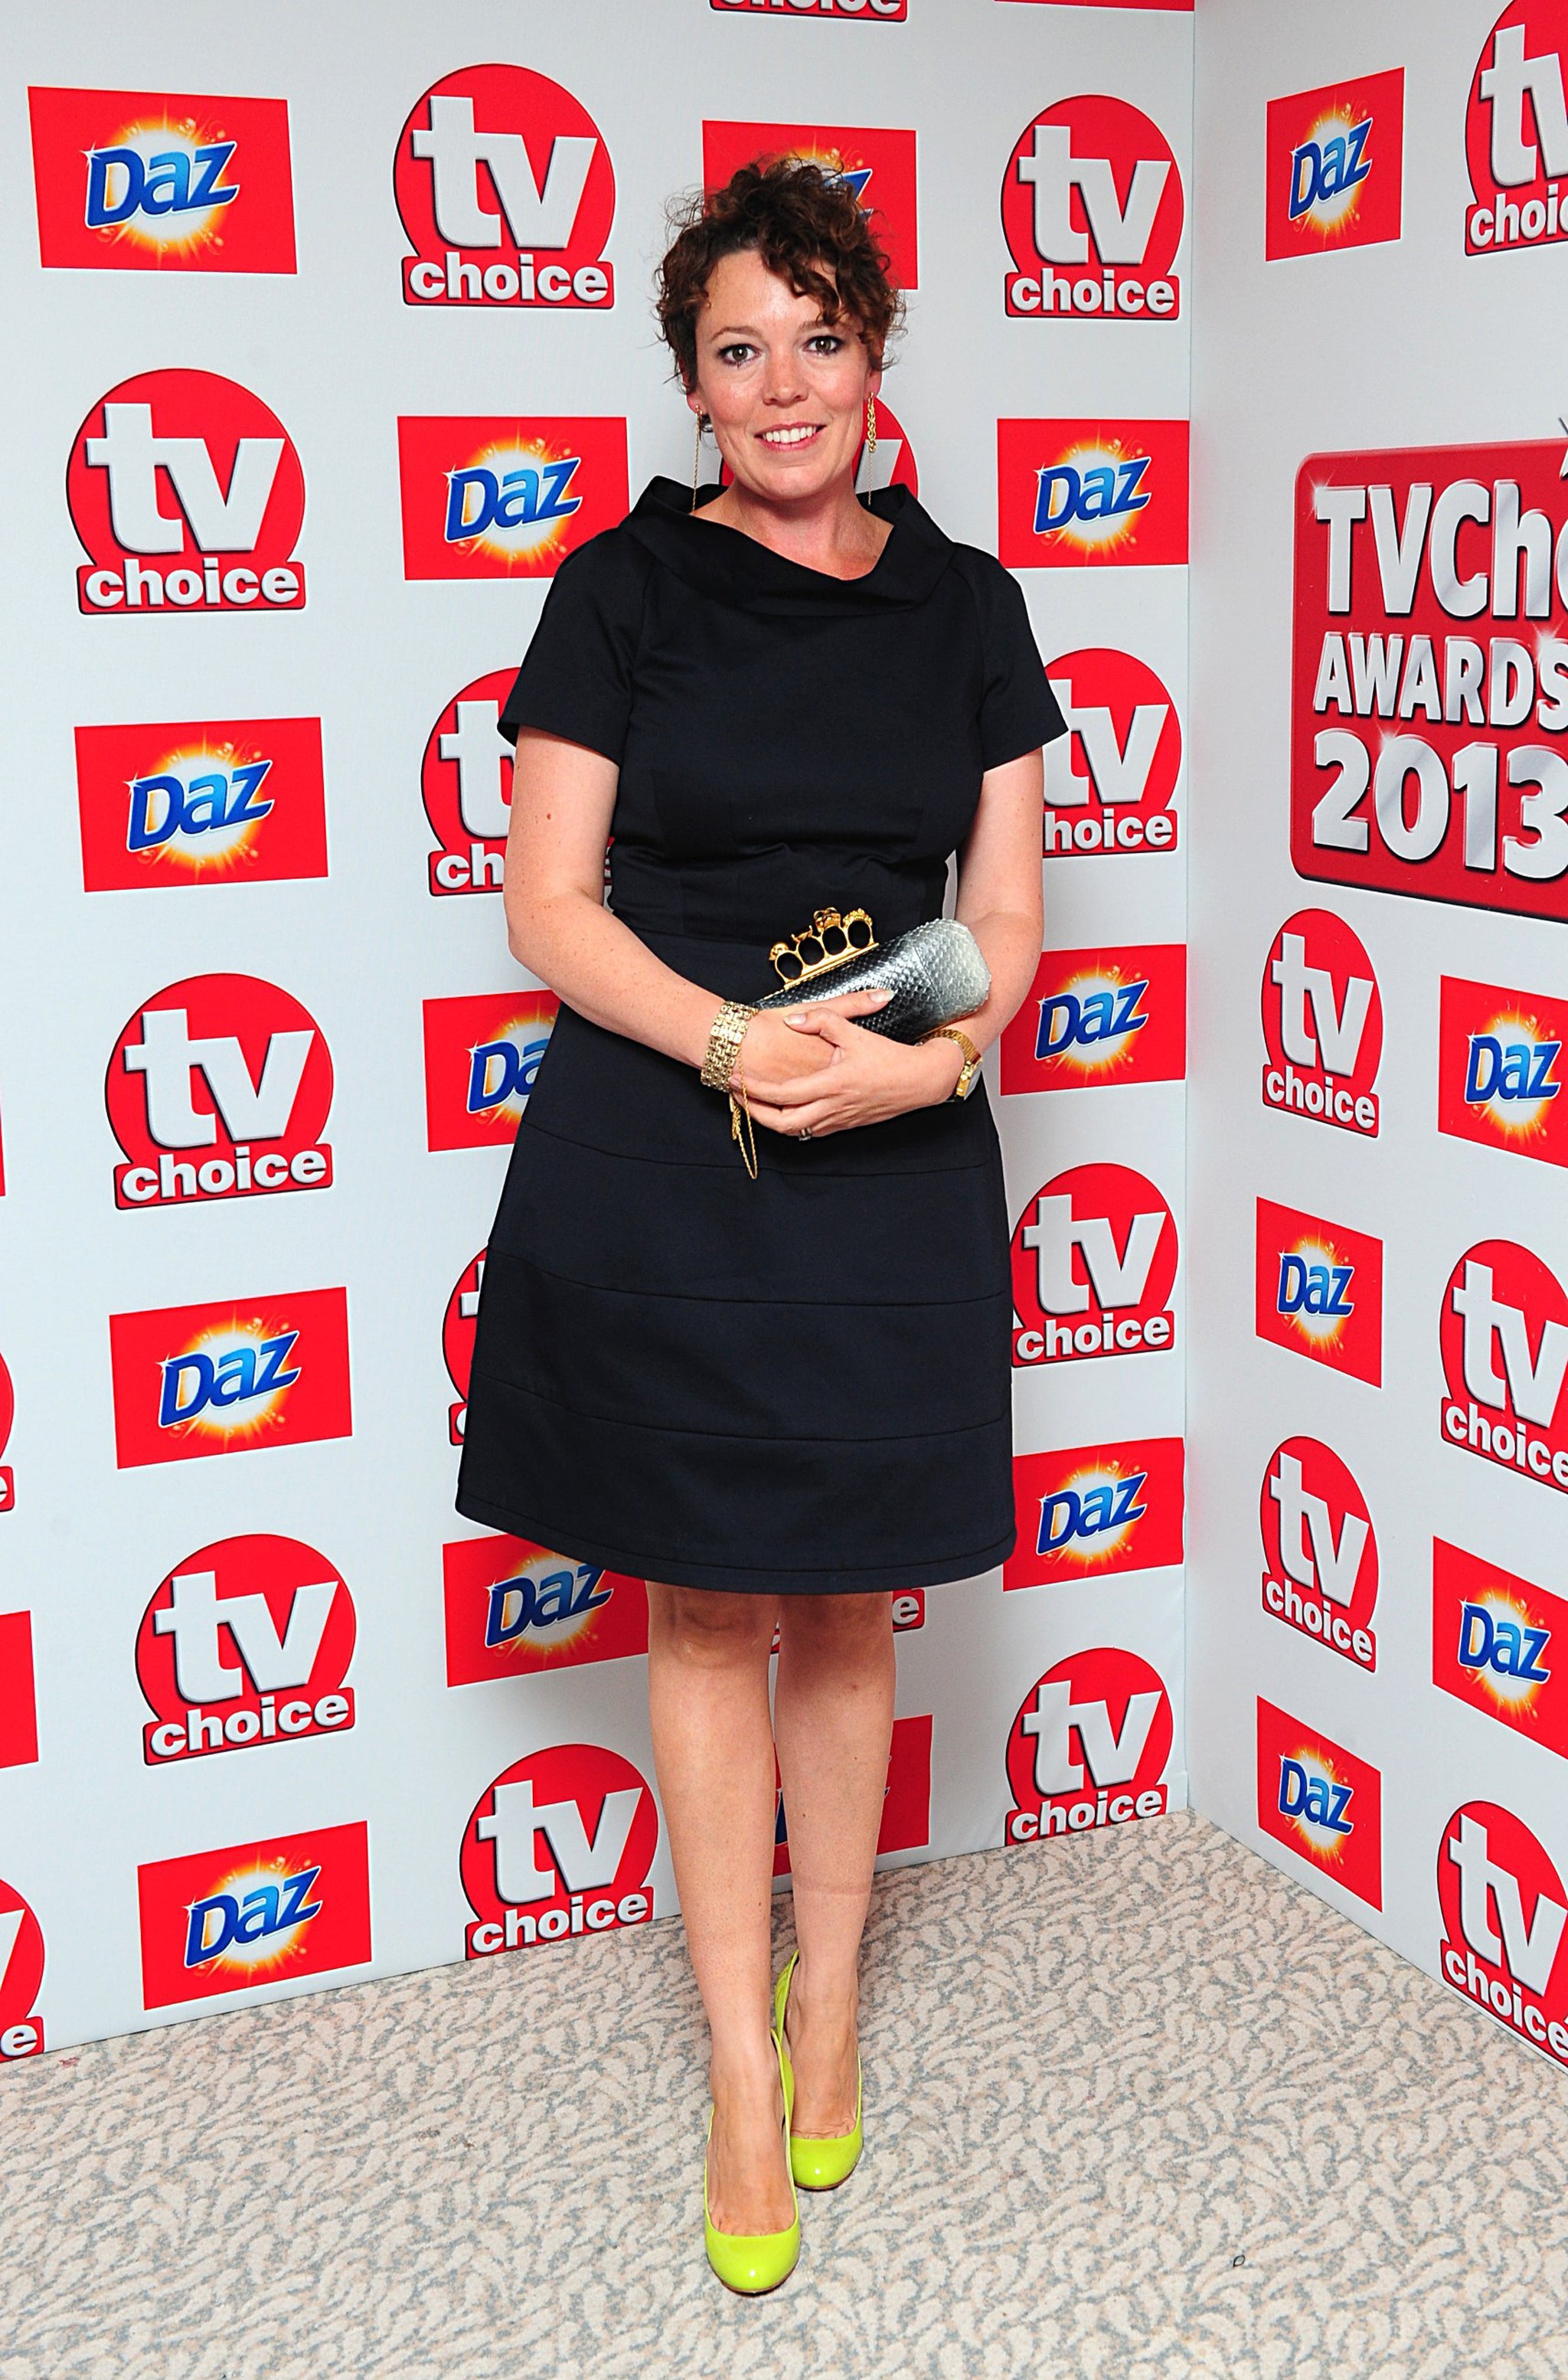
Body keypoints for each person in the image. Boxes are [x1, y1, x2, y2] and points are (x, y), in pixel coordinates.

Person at [456, 157, 1063, 2294]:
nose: (784, 384)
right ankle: (737, 2058)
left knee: (841, 1606)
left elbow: (999, 926)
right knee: (705, 1608)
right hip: (664, 1143)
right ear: (694, 382)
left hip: (891, 1149)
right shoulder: (616, 592)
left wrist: (916, 1062)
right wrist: (731, 1038)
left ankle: (832, 2003)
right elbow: (550, 901)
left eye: (820, 334)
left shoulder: (973, 607)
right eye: (740, 349)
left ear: (877, 349)